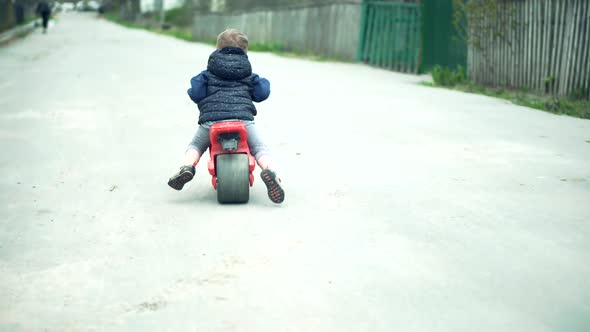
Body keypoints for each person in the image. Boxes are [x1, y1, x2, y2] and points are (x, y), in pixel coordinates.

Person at [168, 28, 285, 204]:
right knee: (260, 149)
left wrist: (198, 88)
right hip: (243, 121)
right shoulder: (248, 74)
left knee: (196, 146)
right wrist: (258, 82)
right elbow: (262, 93)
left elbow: (196, 93)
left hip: (211, 122)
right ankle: (271, 172)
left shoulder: (207, 74)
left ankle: (187, 167)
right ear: (245, 51)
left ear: (217, 49)